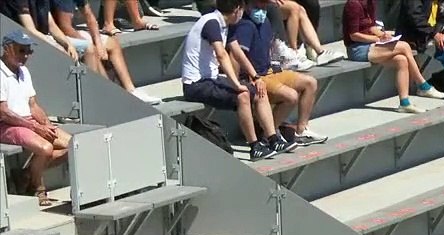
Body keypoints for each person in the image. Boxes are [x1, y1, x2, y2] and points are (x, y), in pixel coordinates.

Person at [181, 0, 291, 161]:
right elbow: (222, 55)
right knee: (243, 95)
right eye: (243, 8)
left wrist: (256, 77)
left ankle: (273, 139)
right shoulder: (211, 22)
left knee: (259, 89)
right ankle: (254, 147)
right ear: (237, 9)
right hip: (196, 84)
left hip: (211, 80)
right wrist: (236, 84)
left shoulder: (227, 24)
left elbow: (237, 52)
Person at [229, 0, 327, 147]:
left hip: (269, 71)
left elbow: (270, 50)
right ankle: (269, 133)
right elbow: (236, 57)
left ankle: (301, 131)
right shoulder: (244, 27)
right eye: (257, 6)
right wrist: (239, 82)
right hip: (255, 77)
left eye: (263, 6)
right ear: (246, 6)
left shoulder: (266, 22)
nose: (261, 10)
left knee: (310, 83)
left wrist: (276, 67)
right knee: (291, 96)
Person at [0, 29, 70, 207]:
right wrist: (35, 128)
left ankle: (25, 175)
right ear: (7, 49)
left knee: (73, 145)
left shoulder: (24, 72)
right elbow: (3, 112)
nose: (26, 56)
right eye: (21, 50)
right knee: (46, 148)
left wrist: (46, 124)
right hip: (6, 124)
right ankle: (37, 187)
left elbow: (33, 104)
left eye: (29, 51)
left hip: (26, 122)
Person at [45, 0, 161, 103]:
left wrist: (99, 45)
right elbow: (65, 27)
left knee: (112, 43)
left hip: (71, 32)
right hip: (59, 36)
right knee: (91, 49)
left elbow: (90, 18)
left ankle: (131, 90)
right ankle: (106, 93)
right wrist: (89, 43)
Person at [342, 0, 435, 113]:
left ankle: (404, 103)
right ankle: (423, 85)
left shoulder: (371, 3)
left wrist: (383, 35)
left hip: (371, 44)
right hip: (357, 49)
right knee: (404, 46)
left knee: (401, 60)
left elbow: (371, 27)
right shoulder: (353, 4)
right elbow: (354, 35)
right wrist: (377, 39)